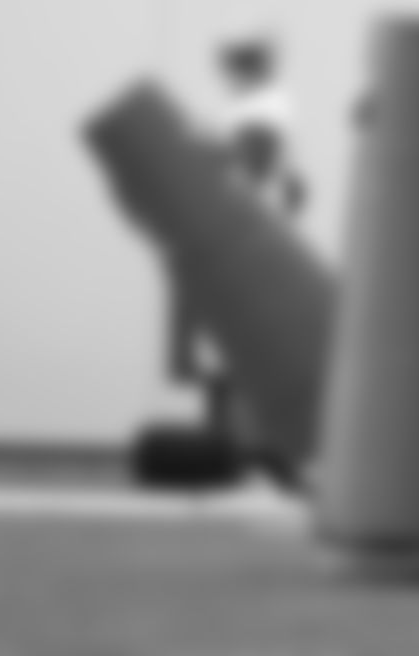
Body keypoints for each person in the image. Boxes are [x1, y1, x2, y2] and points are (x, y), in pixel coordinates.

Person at [160, 26, 308, 489]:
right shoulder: (256, 108)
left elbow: (250, 169)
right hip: (246, 238)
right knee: (228, 358)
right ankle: (236, 451)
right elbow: (286, 184)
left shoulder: (260, 111)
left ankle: (257, 452)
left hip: (243, 243)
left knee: (240, 354)